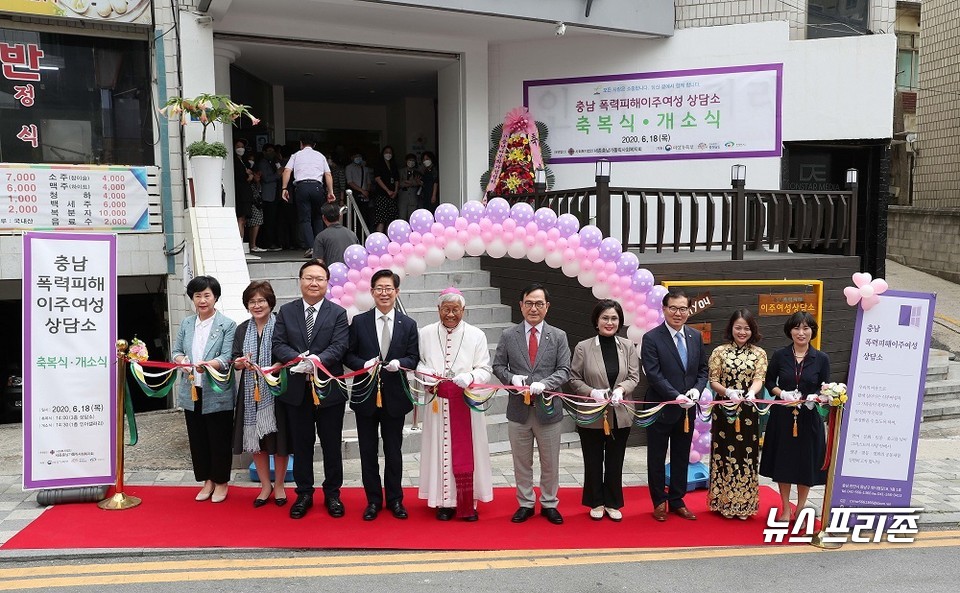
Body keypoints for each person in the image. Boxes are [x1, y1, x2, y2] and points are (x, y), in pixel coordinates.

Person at [272, 259, 349, 520]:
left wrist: (316, 361)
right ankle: (304, 493)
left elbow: (340, 346)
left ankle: (333, 494)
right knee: (302, 445)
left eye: (319, 278)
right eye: (308, 278)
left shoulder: (338, 313)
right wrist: (298, 360)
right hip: (296, 391)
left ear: (327, 283)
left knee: (331, 445)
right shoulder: (286, 311)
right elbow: (278, 344)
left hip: (329, 389)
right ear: (300, 280)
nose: (313, 283)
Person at [344, 269, 420, 521]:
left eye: (389, 288)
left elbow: (414, 357)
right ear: (372, 291)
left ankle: (396, 500)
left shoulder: (408, 324)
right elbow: (349, 356)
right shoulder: (359, 321)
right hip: (366, 395)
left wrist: (400, 362)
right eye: (379, 288)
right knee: (367, 451)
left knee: (393, 451)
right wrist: (363, 363)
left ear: (397, 292)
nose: (384, 293)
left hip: (395, 397)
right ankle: (373, 500)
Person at [492, 283, 571, 525]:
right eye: (529, 303)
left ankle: (549, 503)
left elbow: (565, 370)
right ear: (521, 305)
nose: (533, 308)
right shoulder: (509, 335)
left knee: (550, 461)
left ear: (547, 307)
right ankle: (525, 503)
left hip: (548, 409)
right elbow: (498, 366)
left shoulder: (558, 336)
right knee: (521, 461)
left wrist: (546, 383)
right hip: (518, 410)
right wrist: (511, 378)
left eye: (539, 303)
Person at [415, 287, 494, 521]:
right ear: (438, 309)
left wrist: (470, 377)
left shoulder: (477, 335)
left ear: (464, 310)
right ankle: (443, 503)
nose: (451, 314)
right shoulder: (426, 333)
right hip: (437, 403)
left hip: (466, 403)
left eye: (455, 309)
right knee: (439, 449)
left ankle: (468, 501)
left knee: (468, 450)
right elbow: (418, 362)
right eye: (446, 309)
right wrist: (426, 373)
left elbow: (485, 369)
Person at [567, 299, 639, 522]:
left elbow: (634, 376)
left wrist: (621, 389)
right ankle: (596, 501)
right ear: (596, 321)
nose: (610, 322)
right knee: (593, 459)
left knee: (616, 460)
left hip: (620, 412)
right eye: (605, 318)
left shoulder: (627, 346)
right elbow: (573, 378)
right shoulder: (583, 347)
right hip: (592, 413)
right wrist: (592, 392)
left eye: (614, 318)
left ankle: (613, 502)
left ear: (620, 321)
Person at [640, 288, 708, 522]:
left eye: (683, 308)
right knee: (656, 457)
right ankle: (659, 501)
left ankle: (677, 500)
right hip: (660, 407)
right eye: (673, 308)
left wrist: (696, 390)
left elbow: (702, 370)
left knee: (682, 455)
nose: (678, 313)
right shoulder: (652, 337)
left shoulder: (695, 336)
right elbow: (654, 374)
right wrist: (675, 395)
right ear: (664, 310)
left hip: (688, 410)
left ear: (688, 311)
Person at [172, 276, 237, 503]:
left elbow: (227, 357)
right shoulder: (187, 323)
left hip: (217, 389)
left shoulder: (227, 324)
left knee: (219, 438)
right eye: (198, 295)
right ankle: (207, 480)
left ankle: (221, 482)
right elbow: (176, 351)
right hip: (192, 390)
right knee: (198, 438)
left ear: (215, 297)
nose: (202, 300)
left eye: (207, 295)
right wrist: (183, 360)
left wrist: (209, 364)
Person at [760, 311, 830, 522]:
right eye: (797, 328)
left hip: (809, 418)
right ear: (790, 331)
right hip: (783, 416)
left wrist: (816, 397)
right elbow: (769, 381)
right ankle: (785, 509)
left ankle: (800, 508)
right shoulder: (780, 355)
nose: (801, 333)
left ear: (812, 332)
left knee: (805, 463)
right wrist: (782, 394)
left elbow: (825, 386)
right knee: (784, 461)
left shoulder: (821, 358)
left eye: (806, 328)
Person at [231, 281, 288, 507]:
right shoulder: (242, 329)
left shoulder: (281, 326)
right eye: (252, 301)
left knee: (279, 441)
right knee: (256, 441)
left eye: (261, 300)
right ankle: (266, 485)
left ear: (270, 302)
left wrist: (276, 365)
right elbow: (233, 361)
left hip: (276, 390)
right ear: (247, 305)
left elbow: (287, 355)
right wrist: (240, 363)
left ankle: (281, 485)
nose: (257, 305)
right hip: (250, 393)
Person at [707, 308, 768, 520]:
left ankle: (744, 503)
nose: (742, 332)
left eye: (747, 328)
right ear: (731, 328)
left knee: (747, 455)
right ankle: (723, 500)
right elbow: (713, 380)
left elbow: (760, 377)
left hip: (748, 410)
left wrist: (752, 391)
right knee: (723, 453)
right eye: (738, 328)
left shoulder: (759, 353)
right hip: (724, 408)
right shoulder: (719, 352)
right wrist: (727, 392)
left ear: (753, 330)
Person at [281, 133, 336, 258]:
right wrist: (330, 191)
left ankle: (311, 247)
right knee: (317, 217)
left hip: (302, 187)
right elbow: (328, 174)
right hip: (317, 187)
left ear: (301, 143)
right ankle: (320, 248)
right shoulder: (320, 156)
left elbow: (287, 171)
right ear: (314, 144)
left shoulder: (296, 155)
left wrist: (284, 188)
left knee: (304, 219)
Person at [255, 144, 282, 251]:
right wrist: (278, 174)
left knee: (273, 220)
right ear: (264, 152)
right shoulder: (262, 163)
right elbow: (266, 178)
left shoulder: (274, 162)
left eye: (273, 151)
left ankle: (272, 242)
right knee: (268, 220)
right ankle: (267, 243)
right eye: (269, 151)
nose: (271, 153)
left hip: (274, 195)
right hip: (267, 196)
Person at [372, 145, 399, 233]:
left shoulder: (393, 165)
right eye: (386, 152)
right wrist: (387, 190)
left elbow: (397, 179)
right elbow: (377, 178)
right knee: (381, 220)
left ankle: (389, 240)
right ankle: (378, 239)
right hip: (382, 195)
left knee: (391, 220)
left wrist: (395, 191)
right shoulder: (379, 164)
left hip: (392, 196)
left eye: (390, 152)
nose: (388, 154)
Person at [345, 152, 373, 228]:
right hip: (355, 193)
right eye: (356, 156)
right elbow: (350, 182)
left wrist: (367, 191)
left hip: (365, 195)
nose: (358, 158)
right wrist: (361, 191)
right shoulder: (349, 168)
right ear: (352, 157)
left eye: (359, 156)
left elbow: (369, 182)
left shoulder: (364, 168)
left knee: (365, 217)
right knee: (355, 216)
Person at [233, 138, 254, 239]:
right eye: (238, 146)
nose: (240, 149)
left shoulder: (245, 161)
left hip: (246, 193)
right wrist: (248, 177)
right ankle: (239, 241)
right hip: (239, 193)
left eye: (242, 147)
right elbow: (239, 176)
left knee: (243, 219)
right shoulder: (234, 162)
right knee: (240, 217)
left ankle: (241, 240)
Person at [397, 153, 421, 221]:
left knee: (412, 218)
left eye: (413, 161)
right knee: (402, 217)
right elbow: (398, 183)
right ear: (406, 161)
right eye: (410, 160)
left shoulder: (417, 171)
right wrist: (407, 183)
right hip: (403, 198)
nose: (411, 162)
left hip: (413, 198)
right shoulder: (401, 171)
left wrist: (410, 182)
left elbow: (418, 182)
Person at [246, 168, 265, 253]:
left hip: (258, 205)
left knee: (256, 223)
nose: (259, 177)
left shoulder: (258, 184)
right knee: (255, 223)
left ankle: (253, 244)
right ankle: (252, 245)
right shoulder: (250, 184)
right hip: (253, 205)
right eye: (257, 174)